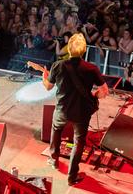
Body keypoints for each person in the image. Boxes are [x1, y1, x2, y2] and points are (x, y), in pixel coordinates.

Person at [42, 33, 109, 186]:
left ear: (69, 49)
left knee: (56, 130)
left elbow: (48, 87)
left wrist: (43, 77)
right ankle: (72, 177)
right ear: (83, 51)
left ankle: (54, 160)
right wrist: (94, 95)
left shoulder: (57, 66)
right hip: (82, 112)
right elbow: (105, 91)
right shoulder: (92, 69)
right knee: (79, 141)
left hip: (62, 110)